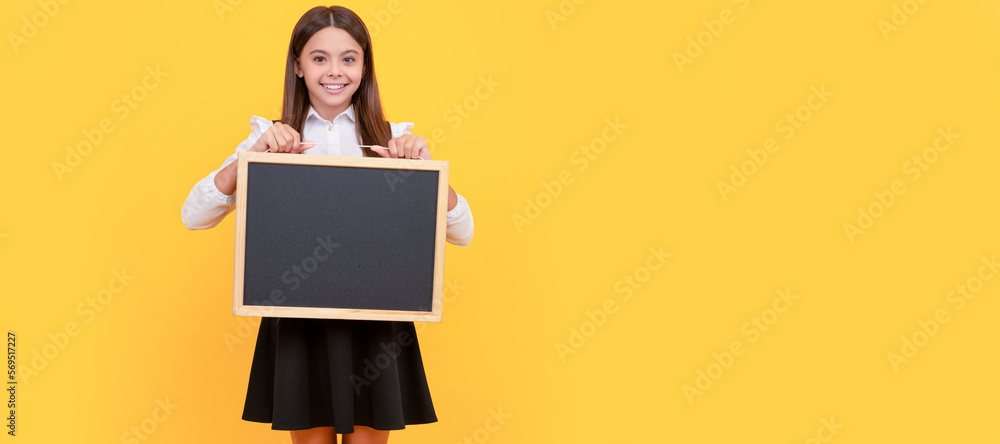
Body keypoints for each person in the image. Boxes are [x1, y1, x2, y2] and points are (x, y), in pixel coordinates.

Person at [180, 5, 474, 443]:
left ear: (364, 67)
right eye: (319, 58)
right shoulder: (269, 138)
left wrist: (426, 174)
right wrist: (248, 160)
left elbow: (463, 231)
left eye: (348, 58)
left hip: (377, 320)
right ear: (298, 66)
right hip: (300, 320)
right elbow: (194, 216)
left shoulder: (394, 138)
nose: (334, 71)